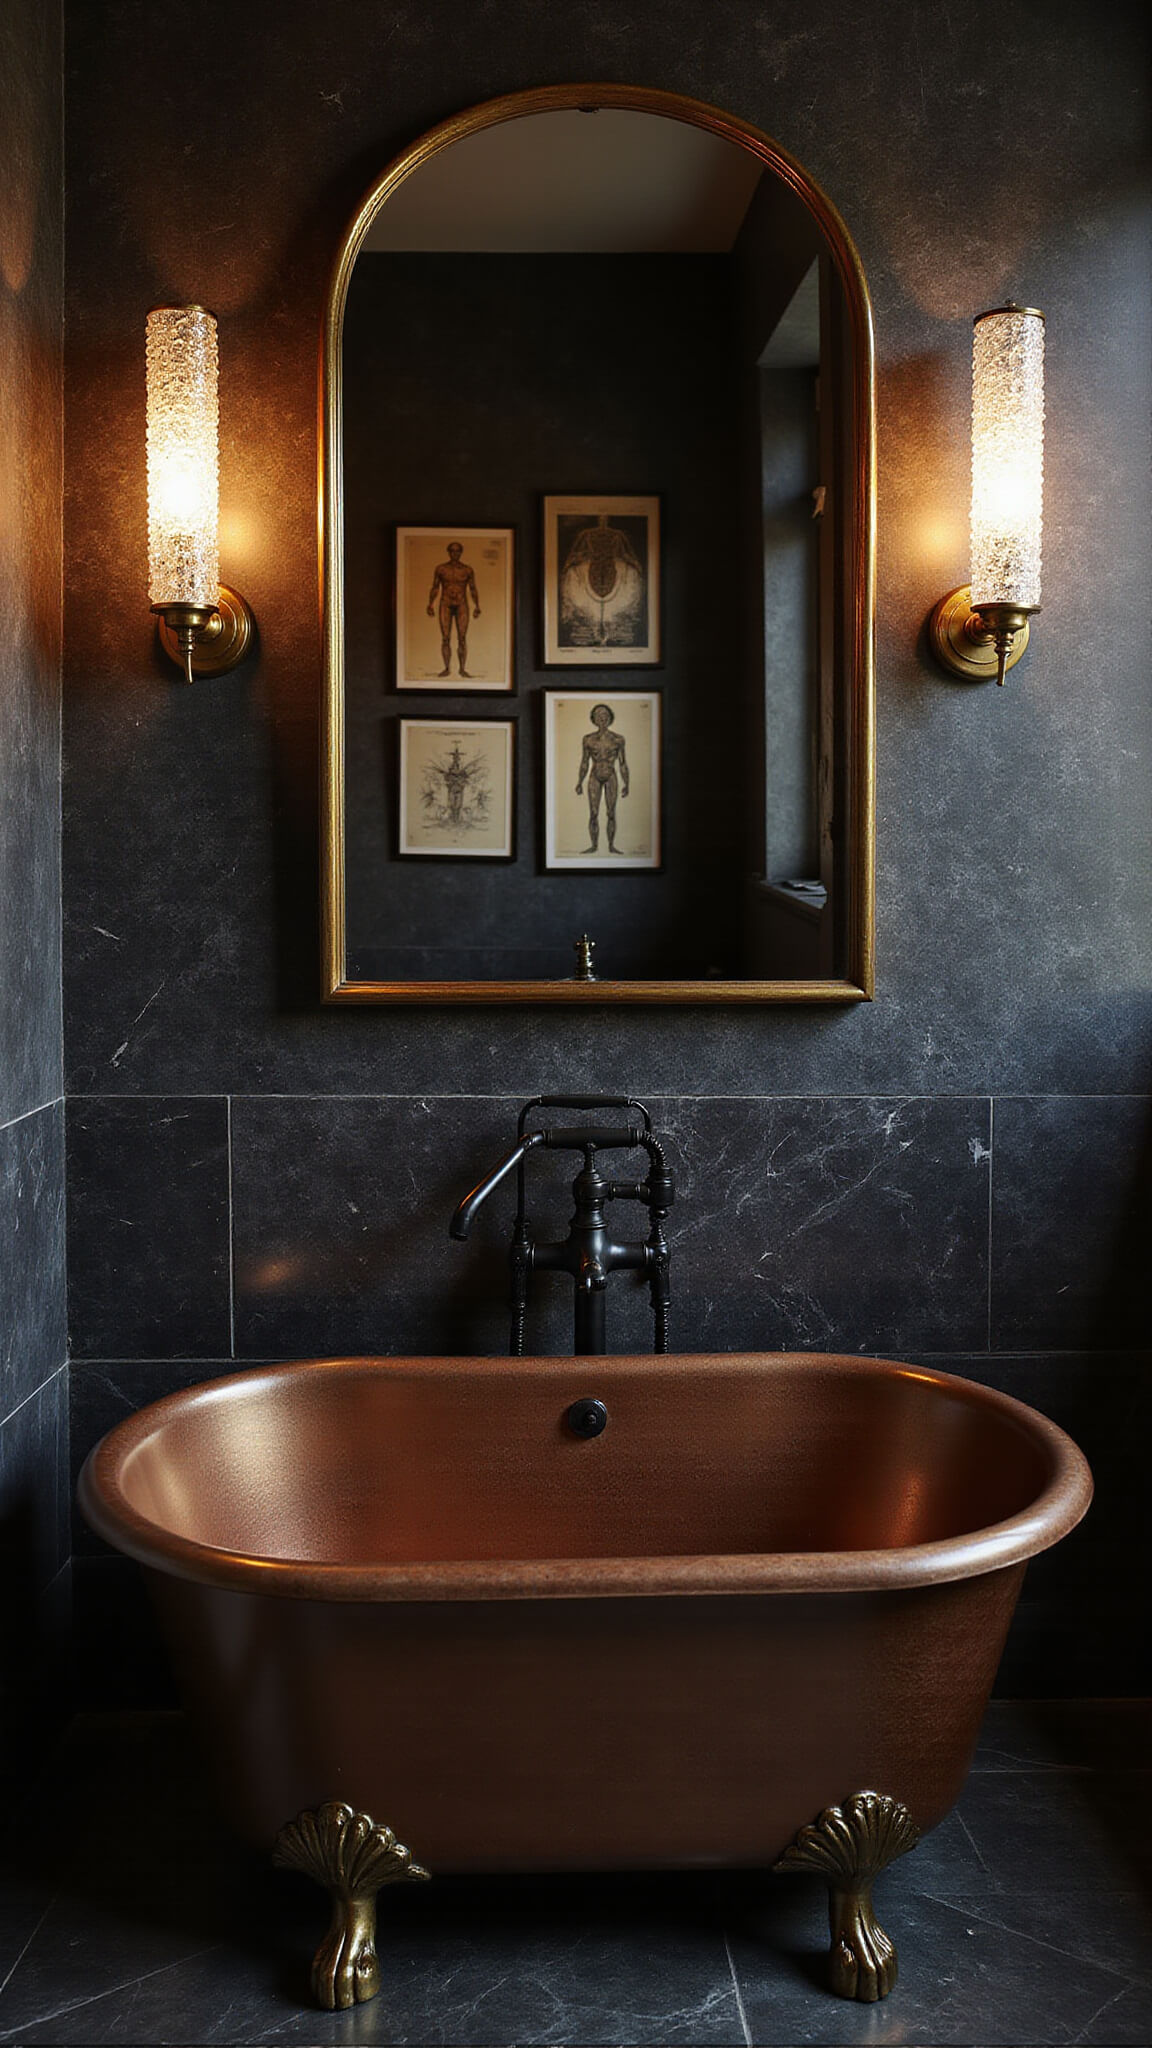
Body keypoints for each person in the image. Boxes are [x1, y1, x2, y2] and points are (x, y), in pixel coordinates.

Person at [575, 702, 628, 853]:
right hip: (594, 776)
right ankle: (594, 845)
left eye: (605, 715)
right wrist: (579, 782)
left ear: (610, 717)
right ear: (594, 719)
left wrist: (626, 783)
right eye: (598, 715)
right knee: (593, 812)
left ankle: (611, 845)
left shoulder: (618, 739)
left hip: (611, 775)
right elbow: (585, 762)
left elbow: (623, 763)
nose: (602, 718)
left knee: (611, 812)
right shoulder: (588, 739)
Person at [426, 542, 480, 677]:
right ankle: (446, 668)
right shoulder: (441, 569)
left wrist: (477, 605)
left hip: (462, 604)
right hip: (446, 603)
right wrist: (430, 603)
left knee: (462, 638)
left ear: (461, 552)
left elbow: (473, 588)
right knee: (445, 638)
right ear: (448, 552)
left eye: (457, 551)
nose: (455, 554)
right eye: (452, 551)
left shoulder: (467, 570)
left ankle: (462, 669)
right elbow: (435, 587)